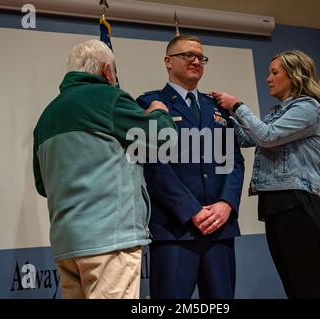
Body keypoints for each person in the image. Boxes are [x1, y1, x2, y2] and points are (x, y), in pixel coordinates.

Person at [32, 39, 176, 299]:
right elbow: (164, 138)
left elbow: (43, 186)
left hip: (66, 245)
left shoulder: (46, 117)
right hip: (110, 240)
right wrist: (159, 112)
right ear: (107, 71)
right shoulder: (108, 98)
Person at [212, 50, 320, 299]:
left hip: (297, 203)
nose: (268, 78)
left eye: (274, 72)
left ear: (294, 76)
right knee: (292, 286)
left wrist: (237, 106)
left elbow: (267, 137)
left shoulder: (308, 107)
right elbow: (247, 137)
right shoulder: (279, 111)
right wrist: (222, 116)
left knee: (306, 288)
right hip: (276, 202)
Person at [136, 35, 245, 299]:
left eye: (200, 57)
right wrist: (191, 210)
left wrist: (225, 204)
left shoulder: (216, 108)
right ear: (168, 61)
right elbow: (152, 165)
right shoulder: (148, 103)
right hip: (175, 230)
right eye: (188, 55)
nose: (196, 61)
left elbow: (234, 161)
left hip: (219, 230)